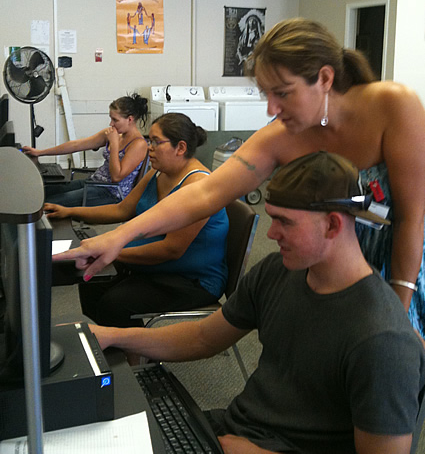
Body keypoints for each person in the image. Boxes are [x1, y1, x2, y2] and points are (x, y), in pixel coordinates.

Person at [53, 18, 425, 338]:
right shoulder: (281, 136)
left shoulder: (392, 106)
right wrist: (119, 237)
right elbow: (205, 193)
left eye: (282, 93)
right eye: (265, 94)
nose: (271, 109)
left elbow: (411, 219)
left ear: (324, 78)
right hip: (328, 263)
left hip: (398, 263)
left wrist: (397, 309)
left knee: (394, 371)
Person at [89, 151, 425, 454]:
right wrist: (113, 336)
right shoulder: (280, 269)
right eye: (272, 217)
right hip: (234, 431)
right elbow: (203, 337)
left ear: (333, 224)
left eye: (285, 222)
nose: (270, 234)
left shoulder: (382, 339)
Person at [46, 113, 228, 327]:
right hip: (156, 265)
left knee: (115, 303)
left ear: (180, 148)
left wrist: (112, 252)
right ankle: (106, 348)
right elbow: (121, 210)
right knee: (93, 279)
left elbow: (171, 249)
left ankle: (132, 355)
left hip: (191, 279)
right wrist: (70, 211)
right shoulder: (158, 173)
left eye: (156, 142)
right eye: (149, 140)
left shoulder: (197, 188)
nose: (149, 147)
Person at [23, 93, 149, 207]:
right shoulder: (113, 134)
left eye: (115, 120)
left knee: (47, 204)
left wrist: (114, 145)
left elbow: (117, 177)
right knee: (43, 193)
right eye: (111, 118)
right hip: (94, 182)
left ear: (130, 119)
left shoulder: (138, 144)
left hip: (112, 193)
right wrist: (40, 152)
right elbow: (76, 145)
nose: (111, 124)